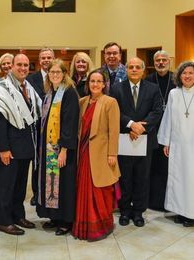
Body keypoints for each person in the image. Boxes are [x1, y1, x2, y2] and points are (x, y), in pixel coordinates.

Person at [0, 54, 42, 235]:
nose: (23, 68)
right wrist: (4, 149)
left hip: (26, 147)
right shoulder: (2, 88)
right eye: (19, 65)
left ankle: (18, 215)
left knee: (21, 185)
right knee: (6, 185)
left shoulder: (28, 87)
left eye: (25, 65)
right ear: (11, 67)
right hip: (10, 148)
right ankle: (4, 221)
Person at [110, 57, 162, 227]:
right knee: (125, 178)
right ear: (127, 70)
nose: (133, 69)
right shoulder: (117, 88)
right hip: (125, 138)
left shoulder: (153, 89)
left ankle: (138, 211)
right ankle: (125, 211)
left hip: (145, 140)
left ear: (143, 70)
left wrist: (141, 128)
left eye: (137, 67)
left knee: (142, 177)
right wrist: (132, 125)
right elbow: (114, 112)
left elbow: (157, 111)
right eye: (130, 67)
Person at [72, 70, 120, 241]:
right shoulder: (82, 101)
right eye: (92, 81)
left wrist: (112, 154)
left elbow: (114, 131)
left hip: (101, 154)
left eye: (99, 81)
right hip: (83, 153)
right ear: (88, 83)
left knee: (100, 191)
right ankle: (83, 226)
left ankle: (101, 226)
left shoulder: (110, 102)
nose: (95, 84)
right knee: (82, 191)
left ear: (105, 84)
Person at [37, 59, 79, 236]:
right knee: (51, 183)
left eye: (58, 72)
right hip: (48, 148)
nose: (54, 75)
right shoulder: (49, 93)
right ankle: (54, 216)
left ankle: (65, 221)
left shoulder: (68, 93)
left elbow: (70, 123)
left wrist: (64, 149)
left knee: (64, 184)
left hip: (62, 149)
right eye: (51, 72)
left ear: (64, 74)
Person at [158, 61, 194, 227]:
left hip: (192, 144)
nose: (187, 76)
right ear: (179, 75)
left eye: (191, 73)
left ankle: (191, 214)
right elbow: (168, 118)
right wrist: (166, 141)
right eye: (184, 73)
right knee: (178, 178)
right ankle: (180, 211)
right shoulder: (174, 93)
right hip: (178, 144)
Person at [145, 50, 176, 211]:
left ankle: (170, 201)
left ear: (169, 61)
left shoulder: (176, 79)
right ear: (154, 62)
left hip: (173, 130)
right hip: (153, 129)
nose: (161, 63)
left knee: (169, 167)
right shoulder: (148, 80)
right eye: (158, 60)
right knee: (153, 166)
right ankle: (154, 202)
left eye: (164, 60)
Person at [27, 47, 55, 206]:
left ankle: (49, 192)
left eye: (48, 57)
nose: (46, 60)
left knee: (51, 161)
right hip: (38, 127)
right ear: (39, 60)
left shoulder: (59, 77)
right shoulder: (32, 79)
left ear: (53, 58)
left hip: (54, 127)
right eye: (43, 58)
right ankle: (36, 193)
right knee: (37, 161)